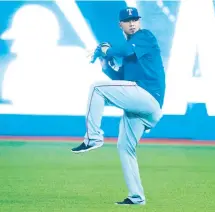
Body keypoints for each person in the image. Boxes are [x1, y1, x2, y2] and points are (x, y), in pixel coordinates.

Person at [71, 7, 166, 205]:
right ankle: (136, 197)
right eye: (128, 20)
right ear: (120, 24)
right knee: (125, 148)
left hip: (148, 97)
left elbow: (122, 50)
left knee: (96, 88)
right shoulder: (132, 52)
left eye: (135, 19)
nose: (132, 23)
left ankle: (94, 138)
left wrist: (105, 48)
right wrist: (106, 66)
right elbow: (120, 79)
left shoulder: (144, 37)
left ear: (139, 22)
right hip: (140, 106)